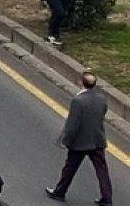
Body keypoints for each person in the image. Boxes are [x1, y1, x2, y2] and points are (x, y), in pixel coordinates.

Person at [46, 71, 113, 205]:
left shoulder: (78, 100)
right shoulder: (101, 99)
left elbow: (73, 123)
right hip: (97, 139)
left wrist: (65, 140)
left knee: (69, 168)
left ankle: (59, 192)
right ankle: (107, 198)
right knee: (102, 170)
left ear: (80, 83)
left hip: (80, 142)